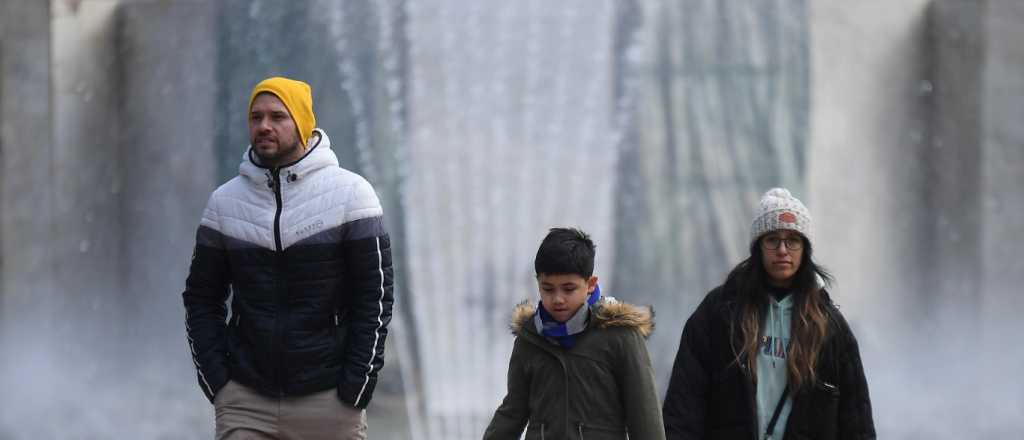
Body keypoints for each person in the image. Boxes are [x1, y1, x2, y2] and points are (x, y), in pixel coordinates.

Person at [183, 76, 394, 440]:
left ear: (302, 122)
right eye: (256, 116)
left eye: (278, 116)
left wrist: (355, 387)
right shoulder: (224, 202)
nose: (264, 126)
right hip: (246, 402)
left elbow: (374, 299)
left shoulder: (351, 195)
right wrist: (218, 382)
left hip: (329, 401)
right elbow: (201, 298)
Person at [662, 188, 875, 440]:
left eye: (793, 240)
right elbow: (685, 402)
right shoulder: (719, 313)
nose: (783, 250)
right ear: (759, 247)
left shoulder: (829, 325)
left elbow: (855, 419)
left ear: (805, 249)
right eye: (772, 239)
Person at [484, 227, 666, 440]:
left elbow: (644, 415)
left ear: (590, 284)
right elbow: (513, 411)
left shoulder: (620, 336)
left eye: (568, 289)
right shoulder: (529, 339)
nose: (558, 299)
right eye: (548, 289)